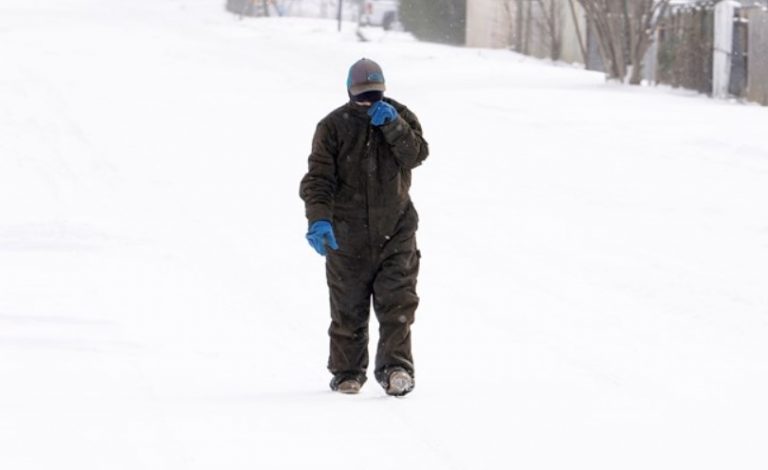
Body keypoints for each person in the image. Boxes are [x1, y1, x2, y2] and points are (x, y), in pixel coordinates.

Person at [299, 58, 429, 396]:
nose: (368, 102)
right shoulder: (332, 127)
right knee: (348, 307)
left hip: (396, 230)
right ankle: (347, 372)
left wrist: (395, 127)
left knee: (397, 303)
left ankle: (396, 368)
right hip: (347, 234)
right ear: (348, 92)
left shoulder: (400, 116)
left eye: (375, 95)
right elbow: (318, 179)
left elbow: (416, 155)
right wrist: (319, 219)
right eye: (362, 96)